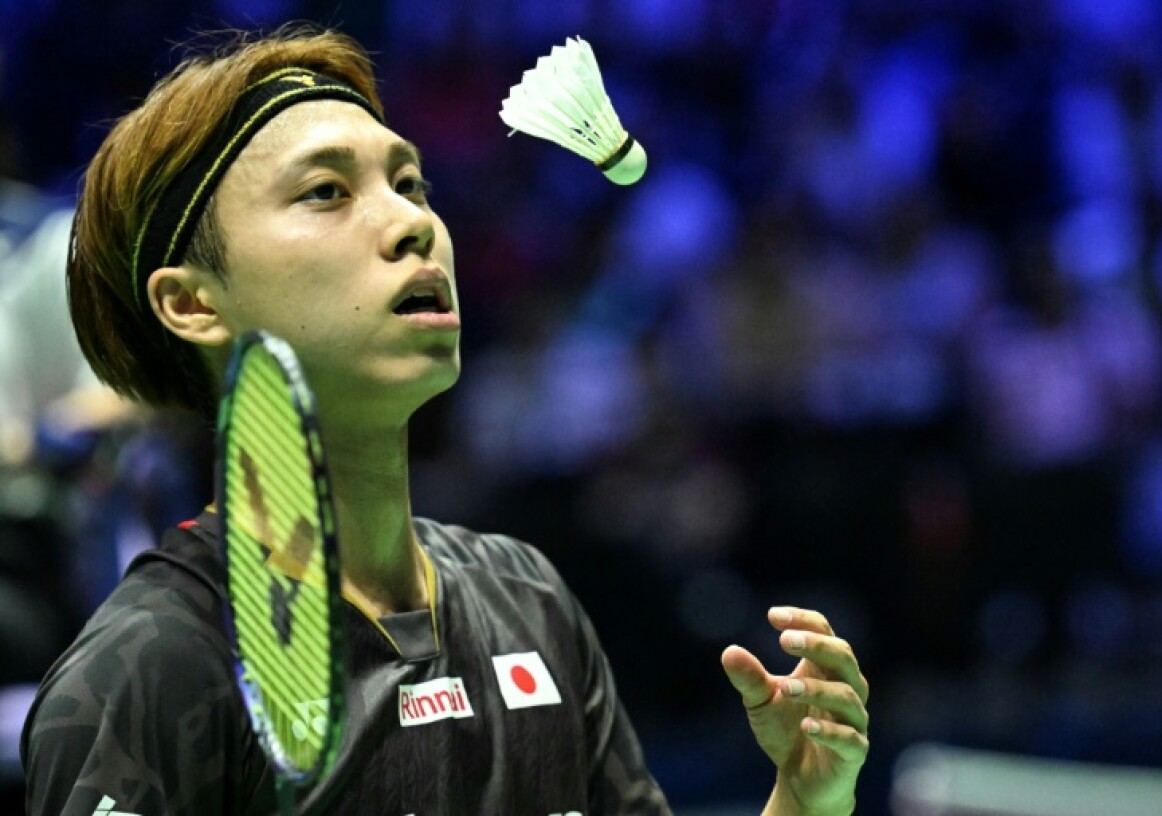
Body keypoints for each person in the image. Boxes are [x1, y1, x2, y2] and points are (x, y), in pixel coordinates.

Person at [20, 26, 869, 815]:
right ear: (193, 305)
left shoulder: (526, 599)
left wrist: (804, 800)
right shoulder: (149, 673)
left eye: (410, 182)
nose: (412, 222)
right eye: (326, 192)